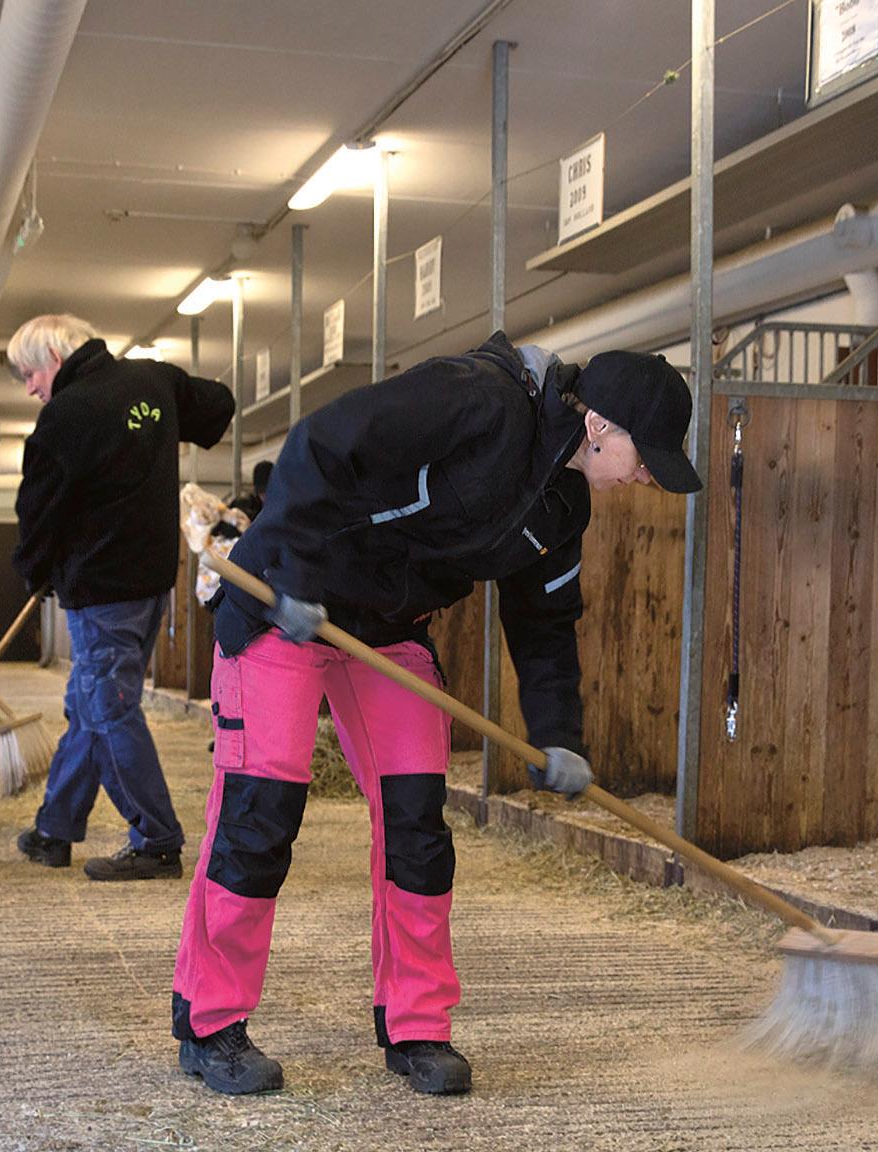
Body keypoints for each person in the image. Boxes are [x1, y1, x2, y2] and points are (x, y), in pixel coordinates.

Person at [172, 333, 699, 1097]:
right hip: (287, 606)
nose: (648, 474)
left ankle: (417, 1024)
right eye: (646, 456)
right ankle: (210, 1021)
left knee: (419, 821)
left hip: (387, 631)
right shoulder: (478, 400)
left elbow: (545, 624)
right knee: (261, 814)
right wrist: (289, 566)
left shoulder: (563, 505)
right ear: (600, 427)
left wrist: (559, 736)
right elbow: (322, 442)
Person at [7, 314, 236, 881]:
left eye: (30, 374)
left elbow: (37, 509)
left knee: (109, 709)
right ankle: (54, 829)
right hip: (152, 578)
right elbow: (219, 407)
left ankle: (157, 840)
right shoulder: (153, 380)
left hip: (100, 585)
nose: (31, 388)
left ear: (55, 358)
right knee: (91, 701)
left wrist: (33, 571)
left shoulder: (65, 415)